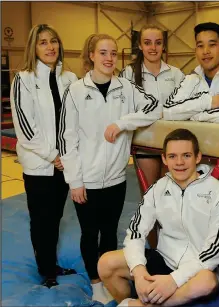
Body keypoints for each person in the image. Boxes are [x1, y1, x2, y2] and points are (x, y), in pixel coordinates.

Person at [58, 33, 161, 303]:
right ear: (91, 55)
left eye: (113, 53)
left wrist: (124, 122)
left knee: (109, 232)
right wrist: (75, 181)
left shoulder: (125, 87)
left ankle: (105, 276)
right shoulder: (76, 91)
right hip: (87, 181)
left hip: (115, 179)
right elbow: (67, 139)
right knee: (90, 233)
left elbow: (153, 107)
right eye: (103, 53)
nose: (109, 58)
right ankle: (94, 282)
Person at [97, 128, 219, 306]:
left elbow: (216, 248)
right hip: (164, 260)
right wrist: (138, 272)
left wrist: (174, 280)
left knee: (207, 281)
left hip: (196, 269)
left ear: (198, 157)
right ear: (164, 159)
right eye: (172, 156)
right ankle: (131, 300)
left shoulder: (218, 192)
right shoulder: (158, 189)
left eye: (186, 155)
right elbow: (135, 232)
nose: (179, 162)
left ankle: (140, 305)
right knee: (106, 263)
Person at [163, 22, 219, 248]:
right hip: (197, 173)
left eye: (212, 45)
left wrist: (194, 116)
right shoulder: (190, 80)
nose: (206, 51)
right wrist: (206, 103)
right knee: (198, 234)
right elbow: (168, 111)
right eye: (200, 46)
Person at [9, 24, 78, 288]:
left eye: (54, 41)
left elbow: (73, 121)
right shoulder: (23, 79)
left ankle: (51, 263)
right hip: (40, 165)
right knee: (41, 220)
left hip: (64, 163)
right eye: (43, 43)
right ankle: (46, 269)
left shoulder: (69, 79)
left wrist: (68, 155)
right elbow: (25, 127)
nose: (50, 47)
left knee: (56, 217)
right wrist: (53, 155)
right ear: (33, 48)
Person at [119, 24, 185, 249]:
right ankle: (155, 250)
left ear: (164, 45)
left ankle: (173, 248)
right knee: (151, 201)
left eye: (158, 42)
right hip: (145, 146)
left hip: (172, 147)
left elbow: (184, 107)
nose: (153, 47)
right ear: (140, 45)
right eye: (147, 43)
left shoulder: (176, 74)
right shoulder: (129, 74)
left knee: (171, 200)